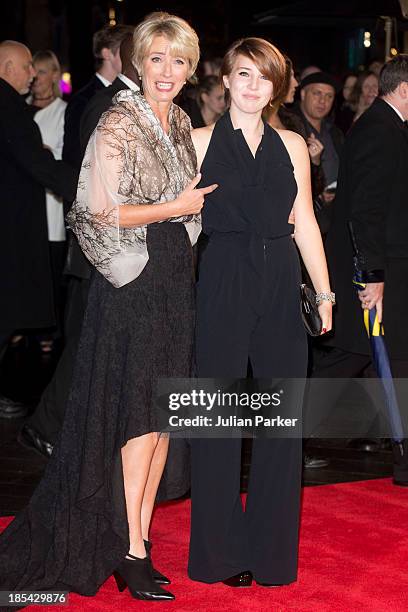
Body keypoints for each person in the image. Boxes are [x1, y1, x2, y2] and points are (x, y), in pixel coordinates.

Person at [0, 12, 216, 601]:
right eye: (157, 59)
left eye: (178, 61)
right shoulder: (116, 122)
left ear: (189, 68)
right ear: (138, 63)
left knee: (162, 416)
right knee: (136, 418)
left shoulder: (177, 119)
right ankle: (129, 548)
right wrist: (174, 209)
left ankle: (138, 538)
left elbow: (185, 202)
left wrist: (185, 214)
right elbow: (95, 213)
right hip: (134, 281)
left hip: (173, 276)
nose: (167, 71)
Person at [188, 37, 333, 587]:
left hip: (278, 285)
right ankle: (221, 555)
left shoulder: (294, 144)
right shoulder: (197, 141)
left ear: (276, 87)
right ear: (225, 80)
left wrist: (323, 294)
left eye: (264, 77)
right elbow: (183, 225)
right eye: (243, 74)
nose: (252, 86)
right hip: (222, 280)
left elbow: (306, 224)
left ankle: (272, 554)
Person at [19, 29, 135, 456]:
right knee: (87, 339)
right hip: (100, 242)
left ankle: (62, 427)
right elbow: (88, 176)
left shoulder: (119, 101)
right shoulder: (102, 102)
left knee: (95, 340)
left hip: (109, 242)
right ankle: (47, 427)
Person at [310, 54, 408, 486]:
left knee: (373, 358)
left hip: (385, 269)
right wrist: (372, 277)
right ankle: (283, 436)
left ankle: (403, 459)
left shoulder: (389, 128)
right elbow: (365, 211)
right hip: (374, 274)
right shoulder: (380, 131)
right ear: (404, 89)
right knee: (348, 359)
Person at [0, 40, 77, 419]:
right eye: (28, 66)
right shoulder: (10, 108)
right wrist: (87, 186)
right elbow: (36, 165)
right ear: (8, 67)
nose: (32, 73)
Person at [28, 50, 68, 351]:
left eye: (42, 72)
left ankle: (47, 329)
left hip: (50, 208)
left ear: (54, 75)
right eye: (34, 71)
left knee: (49, 270)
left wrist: (40, 152)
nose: (36, 78)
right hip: (21, 206)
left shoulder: (63, 112)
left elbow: (62, 158)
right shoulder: (20, 109)